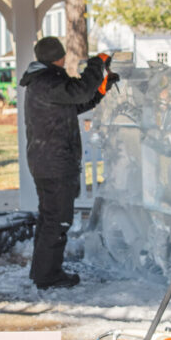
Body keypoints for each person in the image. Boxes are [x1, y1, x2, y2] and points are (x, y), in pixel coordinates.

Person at [20, 36, 119, 290]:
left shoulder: (43, 82)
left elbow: (77, 101)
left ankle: (42, 271)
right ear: (60, 56)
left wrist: (101, 90)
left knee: (49, 218)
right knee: (57, 220)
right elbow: (80, 90)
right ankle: (48, 276)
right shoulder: (47, 81)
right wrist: (96, 65)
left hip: (46, 161)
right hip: (54, 163)